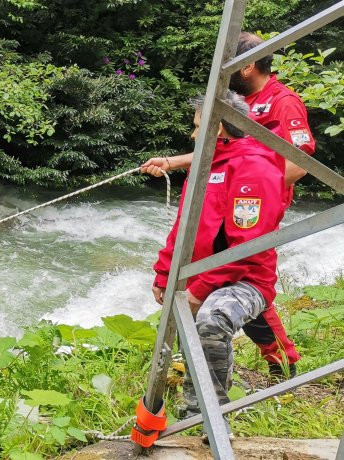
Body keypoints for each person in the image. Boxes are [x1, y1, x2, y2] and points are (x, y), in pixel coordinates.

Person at [143, 32, 309, 376]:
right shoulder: (232, 101)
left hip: (255, 202)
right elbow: (222, 152)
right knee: (218, 263)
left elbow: (300, 160)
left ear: (247, 67)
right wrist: (175, 162)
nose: (221, 73)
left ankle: (281, 360)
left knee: (243, 267)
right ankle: (197, 358)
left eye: (227, 66)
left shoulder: (283, 101)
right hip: (228, 191)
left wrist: (261, 190)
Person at [151, 91, 288, 419]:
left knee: (211, 319)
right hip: (203, 276)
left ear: (220, 127)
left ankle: (205, 417)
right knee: (191, 327)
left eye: (199, 127)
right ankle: (197, 399)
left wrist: (198, 290)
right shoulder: (205, 165)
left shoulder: (255, 167)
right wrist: (163, 272)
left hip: (246, 279)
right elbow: (184, 226)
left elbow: (246, 249)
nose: (194, 135)